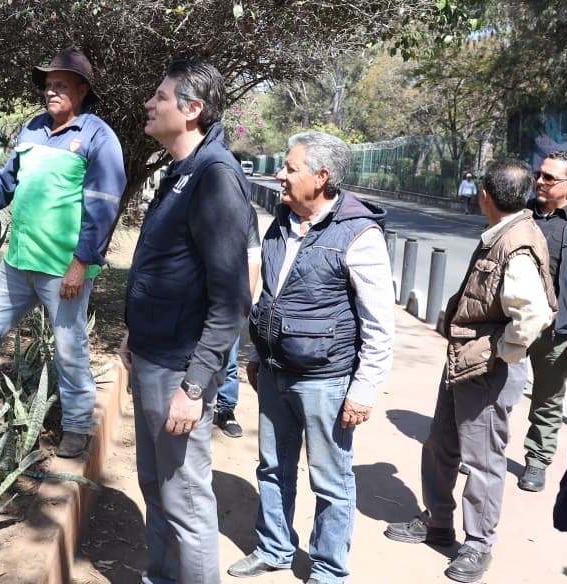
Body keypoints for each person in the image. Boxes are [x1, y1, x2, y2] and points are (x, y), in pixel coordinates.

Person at [0, 48, 126, 459]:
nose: (50, 92)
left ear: (82, 90)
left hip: (63, 268)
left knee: (69, 348)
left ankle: (77, 426)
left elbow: (104, 206)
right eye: (48, 85)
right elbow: (5, 182)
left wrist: (81, 263)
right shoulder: (33, 130)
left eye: (61, 85)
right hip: (19, 260)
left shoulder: (98, 137)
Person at [228, 131, 395, 584]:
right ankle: (274, 548)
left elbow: (379, 323)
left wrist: (363, 390)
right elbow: (271, 295)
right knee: (272, 467)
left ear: (321, 177)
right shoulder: (282, 221)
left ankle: (328, 569)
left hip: (326, 380)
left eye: (290, 168)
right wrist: (258, 353)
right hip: (275, 371)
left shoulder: (359, 233)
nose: (280, 175)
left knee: (330, 479)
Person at [385, 159, 555, 583]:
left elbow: (534, 314)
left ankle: (478, 545)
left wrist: (501, 351)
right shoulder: (504, 231)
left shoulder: (515, 242)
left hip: (488, 369)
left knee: (482, 461)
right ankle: (438, 521)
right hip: (466, 361)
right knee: (441, 444)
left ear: (484, 196)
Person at [120, 59, 252, 584]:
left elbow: (231, 300)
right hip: (153, 354)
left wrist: (195, 386)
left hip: (179, 368)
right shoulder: (181, 171)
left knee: (186, 502)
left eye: (160, 97)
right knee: (156, 488)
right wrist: (134, 331)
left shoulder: (215, 176)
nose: (149, 104)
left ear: (192, 109)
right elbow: (168, 267)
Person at [518, 151, 567, 492]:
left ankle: (537, 460)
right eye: (539, 175)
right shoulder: (521, 214)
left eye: (549, 178)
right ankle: (482, 451)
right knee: (495, 389)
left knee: (548, 398)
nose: (540, 181)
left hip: (557, 330)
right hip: (513, 322)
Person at [214, 204, 261, 439]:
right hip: (194, 295)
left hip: (229, 298)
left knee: (229, 360)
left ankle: (225, 408)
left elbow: (253, 257)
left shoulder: (245, 211)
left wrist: (244, 303)